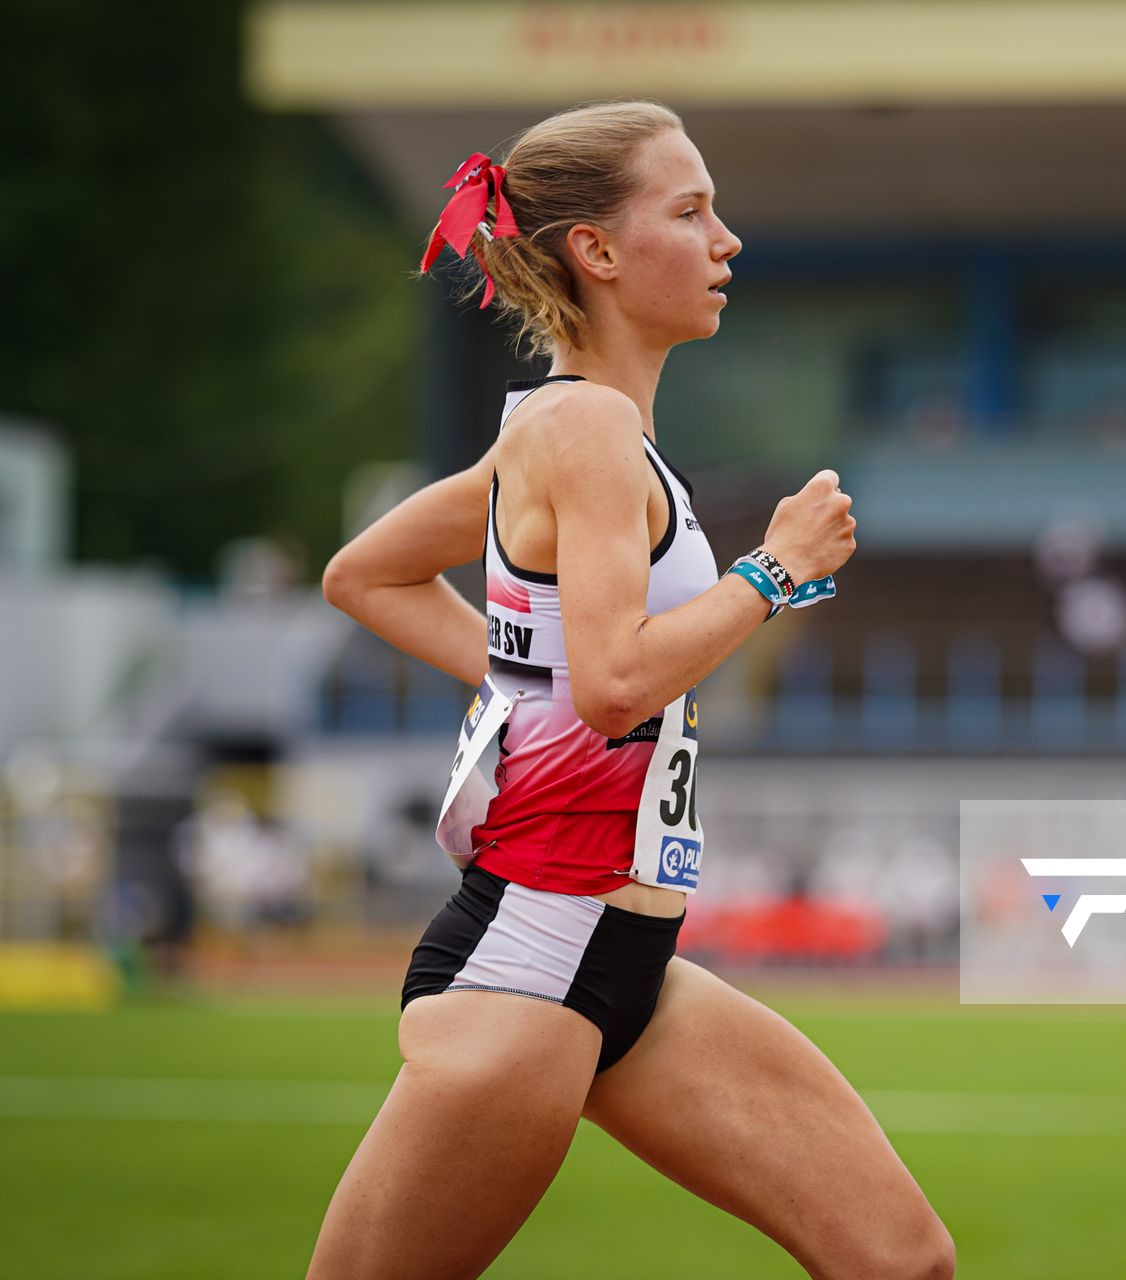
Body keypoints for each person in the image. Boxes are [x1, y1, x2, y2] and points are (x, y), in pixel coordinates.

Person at [311, 100, 954, 1280]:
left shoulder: (559, 431)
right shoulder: (588, 426)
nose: (729, 242)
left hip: (630, 972)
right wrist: (778, 570)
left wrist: (528, 684)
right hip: (529, 962)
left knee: (900, 1258)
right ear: (597, 252)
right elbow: (609, 689)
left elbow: (370, 574)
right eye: (692, 210)